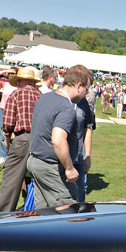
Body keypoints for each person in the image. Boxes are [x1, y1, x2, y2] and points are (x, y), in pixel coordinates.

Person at [26, 64, 93, 207]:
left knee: (44, 214)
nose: (85, 94)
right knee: (69, 212)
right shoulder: (66, 108)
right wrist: (69, 168)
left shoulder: (45, 98)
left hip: (35, 162)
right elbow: (58, 139)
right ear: (79, 86)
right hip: (52, 167)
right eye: (86, 90)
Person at [0, 67, 42, 212]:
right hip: (41, 141)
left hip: (23, 139)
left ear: (20, 81)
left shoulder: (16, 95)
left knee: (11, 179)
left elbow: (8, 122)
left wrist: (7, 138)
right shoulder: (41, 96)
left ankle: (3, 215)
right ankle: (33, 209)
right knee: (37, 178)